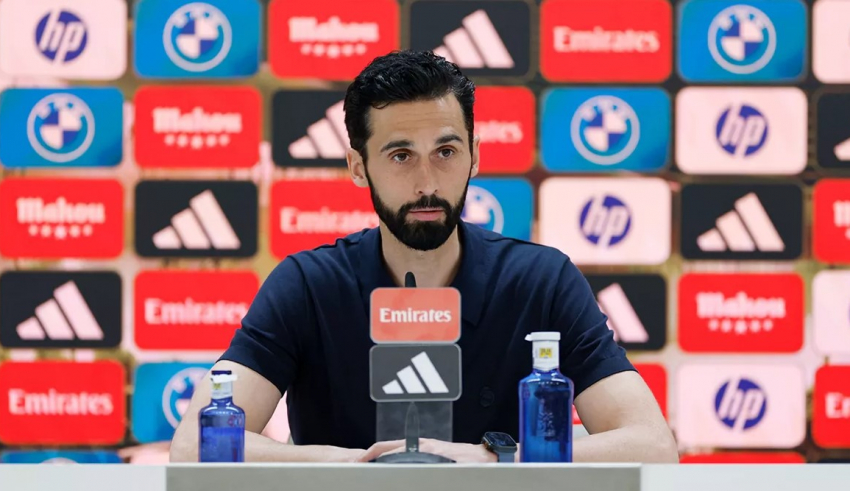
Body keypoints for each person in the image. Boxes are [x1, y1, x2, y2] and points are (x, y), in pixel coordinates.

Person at [170, 50, 678, 464]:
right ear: (358, 167)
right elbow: (194, 446)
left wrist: (494, 459)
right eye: (401, 156)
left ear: (474, 156)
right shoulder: (307, 284)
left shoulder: (540, 280)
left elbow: (652, 446)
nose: (428, 183)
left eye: (446, 152)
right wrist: (353, 465)